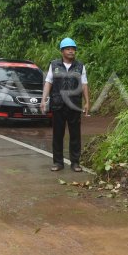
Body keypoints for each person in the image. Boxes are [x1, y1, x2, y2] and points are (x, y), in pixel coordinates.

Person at [41, 37, 90, 172]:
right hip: (58, 104)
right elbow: (48, 82)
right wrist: (43, 100)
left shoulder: (80, 66)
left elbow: (84, 84)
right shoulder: (54, 65)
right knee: (57, 135)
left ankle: (75, 162)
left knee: (75, 135)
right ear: (62, 51)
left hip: (74, 104)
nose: (71, 52)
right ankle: (58, 163)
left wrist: (87, 102)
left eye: (73, 49)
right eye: (68, 49)